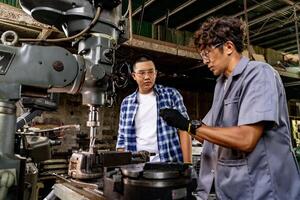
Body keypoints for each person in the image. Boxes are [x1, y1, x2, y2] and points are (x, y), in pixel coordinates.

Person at [160, 17, 300, 199]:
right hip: (233, 190)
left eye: (207, 53)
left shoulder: (259, 74)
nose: (205, 60)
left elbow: (246, 138)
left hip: (263, 189)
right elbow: (206, 133)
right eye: (202, 55)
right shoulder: (222, 85)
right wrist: (180, 122)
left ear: (228, 47)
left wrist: (189, 126)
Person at [116, 55, 192, 163]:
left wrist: (187, 165)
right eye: (142, 73)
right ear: (134, 76)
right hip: (135, 165)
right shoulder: (127, 103)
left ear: (155, 73)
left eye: (151, 72)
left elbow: (185, 129)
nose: (147, 77)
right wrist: (121, 166)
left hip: (168, 163)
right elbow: (122, 138)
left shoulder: (171, 95)